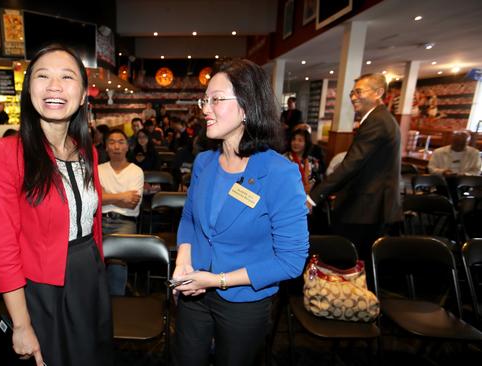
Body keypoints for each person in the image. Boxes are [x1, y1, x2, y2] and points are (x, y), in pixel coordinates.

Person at [171, 58, 309, 366]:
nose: (205, 108)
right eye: (204, 100)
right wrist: (183, 261)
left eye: (216, 100)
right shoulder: (204, 163)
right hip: (195, 288)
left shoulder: (279, 173)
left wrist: (217, 280)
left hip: (244, 300)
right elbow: (190, 219)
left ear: (247, 107)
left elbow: (290, 261)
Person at [0, 44, 112, 366]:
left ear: (83, 95)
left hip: (90, 274)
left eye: (67, 77)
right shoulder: (8, 152)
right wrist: (22, 324)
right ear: (29, 90)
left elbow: (93, 223)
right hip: (42, 286)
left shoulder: (87, 151)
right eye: (43, 76)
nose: (54, 86)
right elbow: (3, 247)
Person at [309, 73, 402, 265]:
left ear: (378, 92)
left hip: (367, 208)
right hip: (369, 206)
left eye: (359, 92)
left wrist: (314, 196)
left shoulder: (377, 121)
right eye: (352, 92)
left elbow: (352, 164)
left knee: (350, 265)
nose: (353, 97)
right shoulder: (379, 118)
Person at [99, 129, 143, 295]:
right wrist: (121, 196)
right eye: (111, 142)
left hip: (125, 222)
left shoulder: (136, 171)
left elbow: (132, 204)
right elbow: (95, 200)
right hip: (99, 220)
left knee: (117, 261)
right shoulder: (98, 169)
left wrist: (106, 196)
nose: (116, 146)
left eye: (121, 142)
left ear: (127, 147)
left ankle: (117, 304)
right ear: (106, 147)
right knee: (89, 259)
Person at [284, 129, 321, 194]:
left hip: (307, 196)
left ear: (306, 143)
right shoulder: (284, 159)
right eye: (293, 139)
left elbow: (316, 180)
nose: (296, 143)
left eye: (300, 140)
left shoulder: (313, 162)